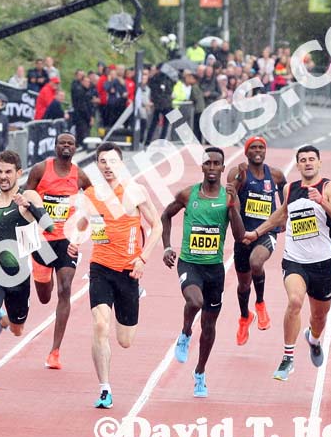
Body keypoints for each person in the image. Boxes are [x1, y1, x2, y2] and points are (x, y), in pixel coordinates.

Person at [243, 145, 331, 381]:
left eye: (312, 159)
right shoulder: (290, 188)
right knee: (294, 301)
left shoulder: (329, 188)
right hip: (294, 260)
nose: (308, 163)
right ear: (298, 165)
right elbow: (281, 214)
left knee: (319, 317)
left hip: (321, 264)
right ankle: (287, 358)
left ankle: (313, 338)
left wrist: (322, 201)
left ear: (319, 163)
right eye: (303, 160)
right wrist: (257, 232)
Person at [68, 142, 162, 408]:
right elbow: (84, 223)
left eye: (112, 162)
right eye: (102, 162)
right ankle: (105, 389)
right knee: (99, 325)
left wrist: (143, 258)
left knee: (125, 340)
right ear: (97, 166)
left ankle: (135, 298)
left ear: (121, 164)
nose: (107, 167)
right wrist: (75, 240)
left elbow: (156, 226)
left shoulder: (135, 191)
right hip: (100, 268)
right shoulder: (91, 195)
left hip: (128, 271)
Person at [0, 151, 53, 399]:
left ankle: (5, 321)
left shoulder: (28, 196)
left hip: (18, 279)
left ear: (19, 173)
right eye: (0, 171)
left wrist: (30, 208)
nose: (3, 177)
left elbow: (48, 226)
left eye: (8, 172)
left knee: (17, 329)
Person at [162, 147, 245, 397]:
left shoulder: (228, 197)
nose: (211, 167)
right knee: (194, 301)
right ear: (202, 167)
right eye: (207, 163)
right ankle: (186, 332)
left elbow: (240, 236)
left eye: (216, 164)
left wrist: (234, 207)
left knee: (209, 326)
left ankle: (200, 373)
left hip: (214, 269)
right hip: (189, 263)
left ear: (222, 168)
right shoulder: (188, 194)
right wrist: (167, 246)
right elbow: (166, 215)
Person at [24, 133, 92, 369]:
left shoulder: (80, 175)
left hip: (66, 239)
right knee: (44, 296)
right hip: (41, 239)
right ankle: (45, 278)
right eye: (62, 143)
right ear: (55, 147)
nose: (66, 146)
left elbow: (95, 203)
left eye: (70, 143)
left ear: (75, 148)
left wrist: (82, 232)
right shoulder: (40, 170)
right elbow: (25, 199)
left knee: (65, 289)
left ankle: (55, 351)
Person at [228, 136, 286, 345]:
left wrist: (283, 219)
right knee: (243, 285)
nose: (257, 150)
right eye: (253, 147)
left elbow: (287, 199)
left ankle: (260, 304)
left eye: (261, 147)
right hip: (243, 235)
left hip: (265, 233)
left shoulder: (276, 175)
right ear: (246, 151)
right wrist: (237, 180)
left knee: (256, 262)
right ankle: (245, 317)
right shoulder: (238, 173)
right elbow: (229, 198)